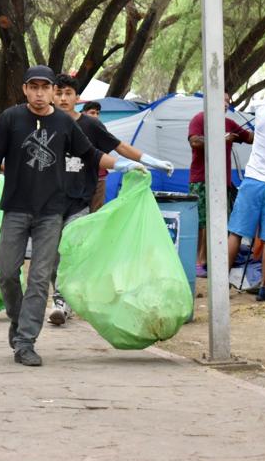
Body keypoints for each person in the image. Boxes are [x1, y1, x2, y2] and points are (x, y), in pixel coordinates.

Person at [0, 65, 147, 366]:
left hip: (51, 213)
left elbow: (91, 154)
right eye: (33, 87)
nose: (39, 94)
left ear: (52, 91)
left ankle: (26, 342)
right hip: (16, 209)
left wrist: (125, 165)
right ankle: (18, 318)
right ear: (25, 89)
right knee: (7, 272)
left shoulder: (64, 123)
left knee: (39, 278)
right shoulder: (11, 119)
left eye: (45, 88)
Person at [48, 74, 174, 325]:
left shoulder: (90, 125)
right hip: (49, 200)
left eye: (68, 94)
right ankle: (63, 295)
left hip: (79, 200)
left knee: (70, 249)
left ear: (77, 98)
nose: (63, 98)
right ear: (52, 94)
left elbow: (120, 147)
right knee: (52, 254)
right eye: (59, 93)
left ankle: (61, 300)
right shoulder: (43, 123)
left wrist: (150, 161)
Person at [226, 83, 265, 301]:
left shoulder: (262, 115)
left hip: (252, 181)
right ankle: (264, 288)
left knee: (236, 232)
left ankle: (222, 280)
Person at [188, 94, 254, 278]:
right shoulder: (199, 119)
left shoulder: (230, 124)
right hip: (201, 179)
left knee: (220, 221)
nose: (226, 104)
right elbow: (194, 141)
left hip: (222, 181)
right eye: (222, 100)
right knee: (202, 221)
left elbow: (250, 138)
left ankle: (212, 260)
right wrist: (220, 139)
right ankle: (198, 262)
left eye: (227, 101)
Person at [80, 102, 110, 212]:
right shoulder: (74, 128)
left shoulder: (100, 128)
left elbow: (107, 151)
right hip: (79, 176)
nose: (96, 116)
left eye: (98, 113)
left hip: (99, 177)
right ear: (83, 113)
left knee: (96, 210)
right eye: (92, 113)